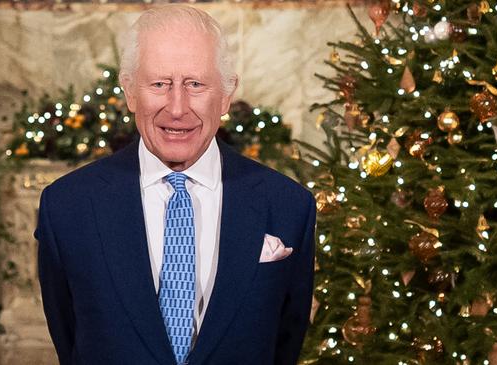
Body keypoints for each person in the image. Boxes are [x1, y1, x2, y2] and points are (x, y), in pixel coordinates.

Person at [35, 5, 316, 364]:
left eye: (195, 84)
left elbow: (285, 342)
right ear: (130, 92)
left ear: (227, 94)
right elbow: (69, 336)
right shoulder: (67, 207)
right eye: (159, 84)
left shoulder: (289, 206)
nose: (177, 108)